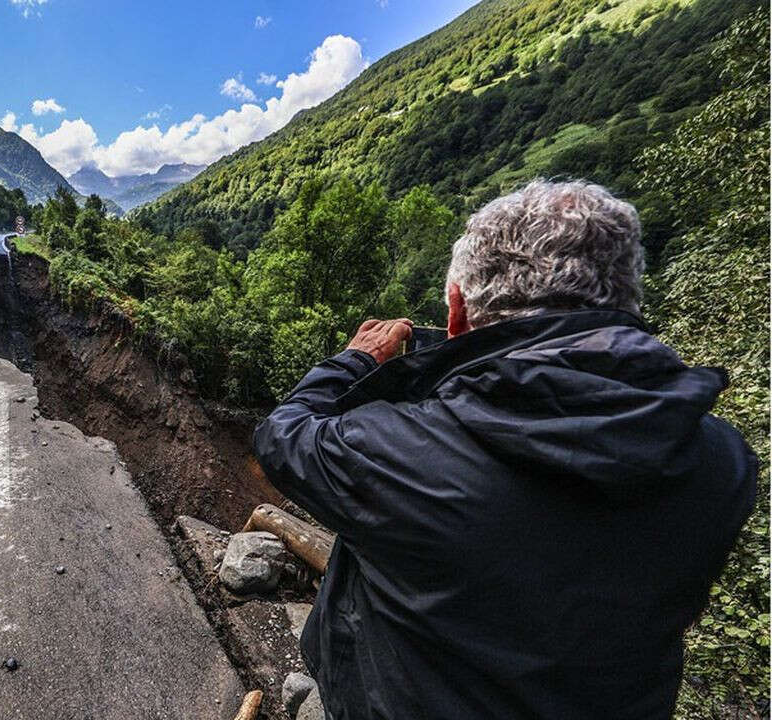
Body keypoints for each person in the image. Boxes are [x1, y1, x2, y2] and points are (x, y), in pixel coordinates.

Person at [252, 180, 756, 720]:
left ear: (456, 310)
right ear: (625, 296)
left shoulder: (400, 450)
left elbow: (283, 435)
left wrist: (356, 359)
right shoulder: (723, 461)